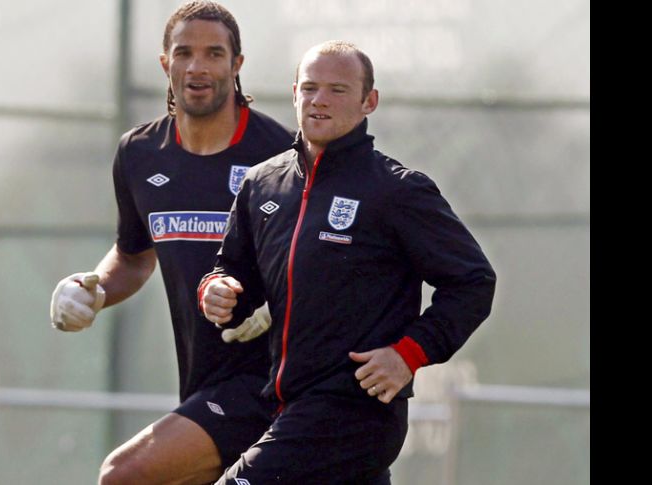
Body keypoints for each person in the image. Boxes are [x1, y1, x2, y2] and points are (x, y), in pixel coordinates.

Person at [199, 40, 497, 483]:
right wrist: (218, 292)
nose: (320, 100)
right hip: (285, 403)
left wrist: (408, 354)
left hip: (354, 411)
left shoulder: (396, 190)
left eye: (338, 89)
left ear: (368, 101)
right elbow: (234, 276)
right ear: (294, 92)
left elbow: (473, 282)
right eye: (310, 87)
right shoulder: (262, 184)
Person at [48, 2, 294, 484]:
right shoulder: (139, 153)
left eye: (214, 54)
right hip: (201, 381)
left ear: (236, 65)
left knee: (124, 475)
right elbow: (134, 256)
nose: (197, 67)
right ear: (166, 62)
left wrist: (276, 303)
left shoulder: (282, 153)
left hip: (272, 382)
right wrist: (92, 290)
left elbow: (325, 257)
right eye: (184, 52)